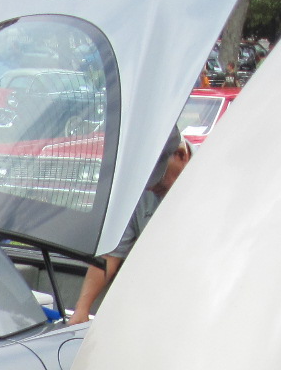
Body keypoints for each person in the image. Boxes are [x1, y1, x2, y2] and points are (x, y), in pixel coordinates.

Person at [70, 131, 192, 323]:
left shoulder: (215, 180)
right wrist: (82, 309)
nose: (150, 188)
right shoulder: (139, 191)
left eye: (158, 179)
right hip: (155, 299)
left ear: (181, 155)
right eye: (145, 181)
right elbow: (110, 255)